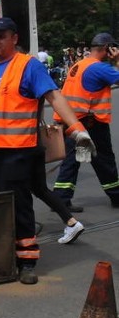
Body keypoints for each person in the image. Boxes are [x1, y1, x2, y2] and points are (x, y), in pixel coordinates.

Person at [0, 17, 91, 285]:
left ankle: (27, 260)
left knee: (19, 205)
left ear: (14, 38)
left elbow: (54, 97)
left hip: (17, 150)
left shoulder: (27, 66)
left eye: (1, 36)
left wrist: (77, 128)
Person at [51, 32, 119, 211]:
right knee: (103, 159)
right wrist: (118, 60)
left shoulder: (80, 64)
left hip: (71, 120)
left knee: (71, 161)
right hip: (91, 122)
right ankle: (116, 196)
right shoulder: (100, 68)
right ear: (107, 49)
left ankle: (61, 199)